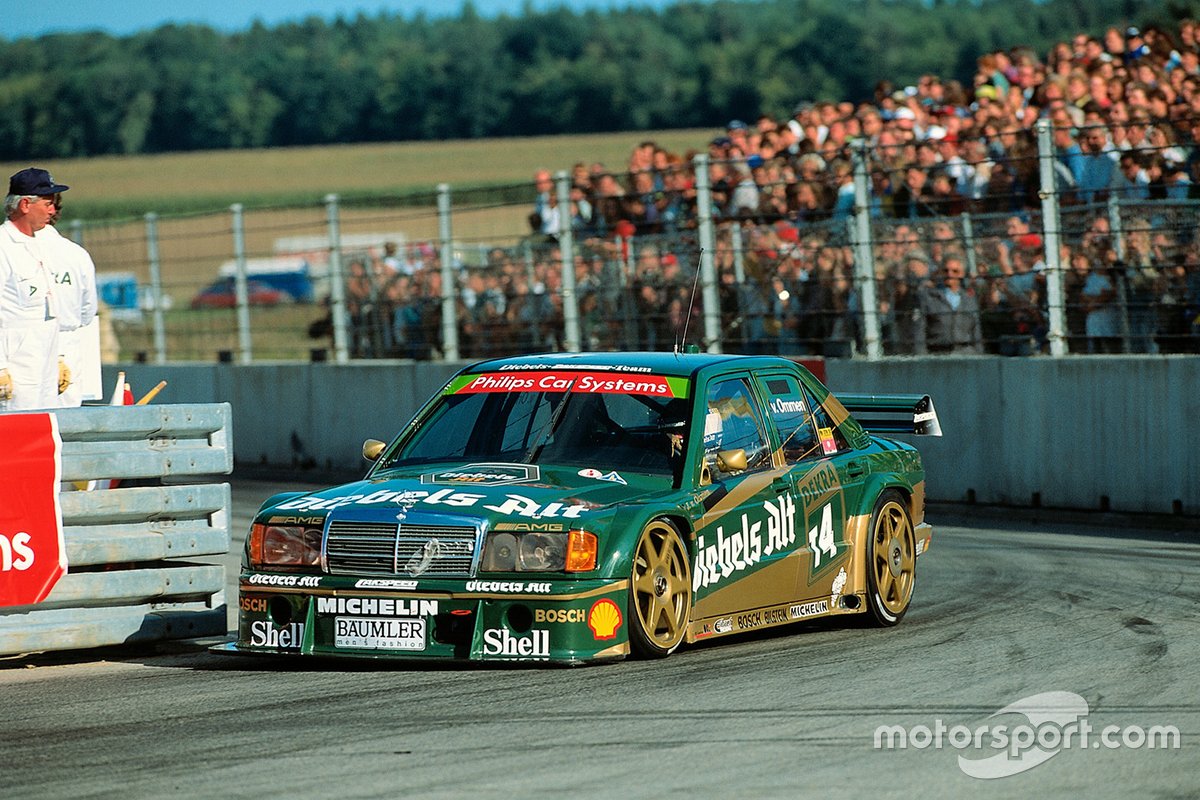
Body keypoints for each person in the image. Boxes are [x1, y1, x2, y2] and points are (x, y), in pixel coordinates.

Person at [0, 168, 68, 410]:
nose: (53, 210)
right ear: (25, 204)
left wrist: (58, 356)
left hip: (45, 364)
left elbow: (48, 310)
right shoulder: (3, 247)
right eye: (47, 203)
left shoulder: (41, 245)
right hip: (16, 371)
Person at [38, 194, 98, 407]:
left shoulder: (8, 249)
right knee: (68, 424)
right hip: (68, 343)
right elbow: (88, 312)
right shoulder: (76, 254)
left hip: (22, 345)